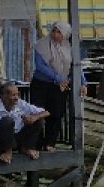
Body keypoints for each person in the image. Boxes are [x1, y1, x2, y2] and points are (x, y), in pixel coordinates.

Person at [31, 21, 87, 152]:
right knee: (36, 113)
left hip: (59, 87)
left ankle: (50, 143)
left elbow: (77, 65)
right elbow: (40, 66)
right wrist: (58, 78)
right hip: (41, 84)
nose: (55, 34)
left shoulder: (69, 47)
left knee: (56, 114)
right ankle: (36, 144)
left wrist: (83, 82)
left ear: (65, 35)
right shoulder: (41, 45)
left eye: (59, 32)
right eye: (54, 31)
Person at [0, 81, 50, 164]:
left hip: (17, 139)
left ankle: (27, 147)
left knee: (39, 120)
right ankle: (7, 151)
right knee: (7, 120)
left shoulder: (20, 103)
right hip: (0, 142)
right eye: (13, 95)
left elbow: (46, 112)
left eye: (17, 94)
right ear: (2, 96)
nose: (16, 97)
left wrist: (34, 117)